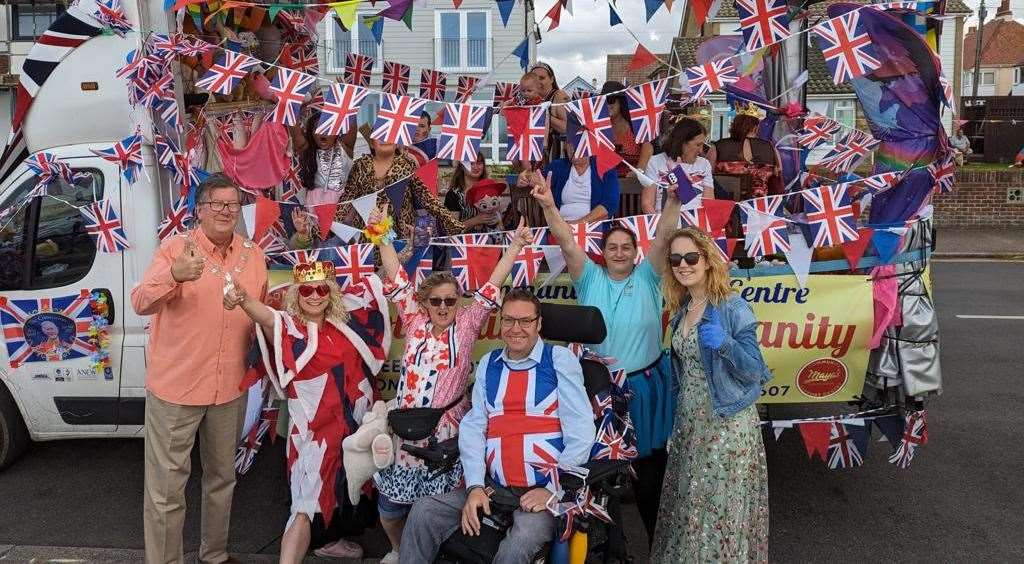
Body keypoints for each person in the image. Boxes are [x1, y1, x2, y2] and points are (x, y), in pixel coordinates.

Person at [371, 209, 534, 564]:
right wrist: (382, 232)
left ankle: (430, 554)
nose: (444, 306)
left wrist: (517, 245)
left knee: (436, 511)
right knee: (389, 508)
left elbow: (493, 282)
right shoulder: (413, 320)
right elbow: (397, 277)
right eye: (436, 301)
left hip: (444, 435)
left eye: (450, 300)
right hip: (404, 432)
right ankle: (401, 550)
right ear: (424, 303)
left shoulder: (467, 324)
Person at [529, 169, 679, 544]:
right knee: (604, 476)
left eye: (625, 247)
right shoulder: (589, 277)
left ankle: (658, 545)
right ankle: (613, 549)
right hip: (599, 392)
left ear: (634, 252)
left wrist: (673, 201)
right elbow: (565, 240)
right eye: (612, 246)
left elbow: (663, 238)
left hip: (643, 389)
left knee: (648, 477)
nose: (619, 252)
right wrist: (548, 204)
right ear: (603, 252)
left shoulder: (649, 277)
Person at [399, 289, 596, 564]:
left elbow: (581, 429)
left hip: (541, 491)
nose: (516, 329)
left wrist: (554, 490)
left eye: (525, 321)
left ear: (539, 324)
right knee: (424, 512)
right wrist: (475, 487)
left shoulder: (559, 360)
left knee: (517, 546)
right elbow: (474, 426)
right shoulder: (490, 363)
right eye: (509, 320)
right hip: (495, 488)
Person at [131, 174, 268, 564]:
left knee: (222, 480)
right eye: (217, 204)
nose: (226, 211)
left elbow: (261, 312)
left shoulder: (253, 255)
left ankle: (215, 555)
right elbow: (140, 302)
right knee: (165, 490)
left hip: (229, 389)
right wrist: (174, 275)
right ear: (200, 210)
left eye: (233, 204)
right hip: (177, 390)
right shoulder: (176, 249)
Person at [224, 259, 391, 563]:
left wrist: (391, 250)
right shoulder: (290, 327)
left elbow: (373, 288)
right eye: (307, 291)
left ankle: (330, 541)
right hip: (315, 433)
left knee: (347, 484)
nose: (314, 296)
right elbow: (268, 318)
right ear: (297, 295)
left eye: (321, 289)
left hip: (353, 424)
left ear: (330, 292)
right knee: (306, 501)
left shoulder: (345, 321)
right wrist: (246, 301)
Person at [653, 227, 771, 563]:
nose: (683, 264)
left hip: (727, 425)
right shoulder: (682, 308)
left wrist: (726, 344)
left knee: (718, 508)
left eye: (691, 257)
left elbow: (754, 370)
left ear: (707, 261)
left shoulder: (732, 306)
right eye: (676, 259)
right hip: (691, 424)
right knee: (692, 506)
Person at [337, 139, 464, 238]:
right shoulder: (360, 165)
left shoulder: (407, 164)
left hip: (402, 233)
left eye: (389, 135)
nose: (385, 139)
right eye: (379, 135)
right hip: (369, 234)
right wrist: (326, 226)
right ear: (371, 142)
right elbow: (346, 200)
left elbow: (426, 197)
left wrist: (450, 220)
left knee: (398, 270)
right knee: (371, 271)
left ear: (397, 142)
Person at [527, 136, 620, 223]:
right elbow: (538, 179)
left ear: (589, 145)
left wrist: (578, 224)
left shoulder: (605, 166)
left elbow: (610, 204)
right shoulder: (558, 166)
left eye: (578, 142)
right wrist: (526, 177)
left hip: (593, 229)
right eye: (569, 143)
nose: (572, 148)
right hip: (560, 228)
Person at [641, 118, 715, 213]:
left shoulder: (704, 164)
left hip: (696, 223)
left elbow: (709, 202)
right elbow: (647, 203)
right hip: (665, 222)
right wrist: (659, 226)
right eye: (698, 145)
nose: (701, 150)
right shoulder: (655, 162)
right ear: (682, 143)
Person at [707, 106, 783, 199]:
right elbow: (778, 172)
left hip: (726, 204)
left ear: (734, 126)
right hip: (760, 204)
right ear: (756, 128)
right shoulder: (770, 147)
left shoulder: (718, 146)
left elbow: (706, 175)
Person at [298, 113, 357, 208]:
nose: (322, 132)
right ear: (311, 134)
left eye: (327, 127)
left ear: (336, 131)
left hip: (341, 209)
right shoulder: (307, 150)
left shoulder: (345, 147)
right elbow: (294, 128)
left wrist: (347, 102)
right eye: (317, 128)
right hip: (313, 209)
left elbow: (352, 117)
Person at [601, 80, 653, 178]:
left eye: (611, 100)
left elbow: (648, 148)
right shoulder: (601, 127)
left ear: (621, 102)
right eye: (604, 101)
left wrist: (638, 172)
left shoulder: (635, 124)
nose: (607, 105)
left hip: (631, 184)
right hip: (607, 181)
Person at [444, 152, 502, 230]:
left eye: (479, 163)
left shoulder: (490, 188)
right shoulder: (453, 194)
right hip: (464, 240)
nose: (475, 167)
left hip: (491, 239)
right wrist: (475, 221)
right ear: (462, 166)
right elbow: (452, 228)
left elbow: (498, 219)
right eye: (471, 164)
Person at [530, 62, 571, 163]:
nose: (538, 82)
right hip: (539, 157)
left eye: (542, 78)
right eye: (535, 78)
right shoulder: (531, 99)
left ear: (552, 79)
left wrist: (542, 113)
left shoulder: (559, 95)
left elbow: (567, 127)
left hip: (558, 158)